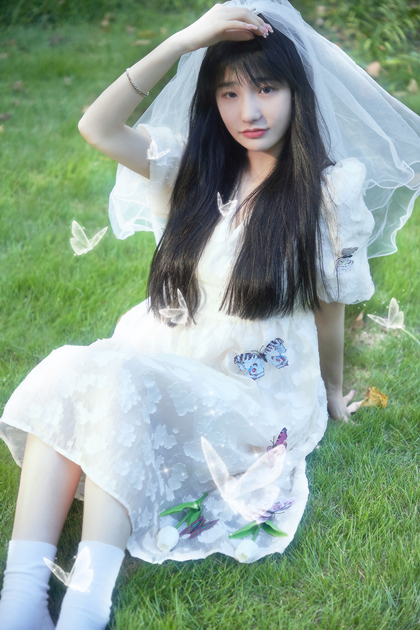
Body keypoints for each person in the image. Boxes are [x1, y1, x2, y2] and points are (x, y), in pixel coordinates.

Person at [0, 1, 419, 629]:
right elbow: (97, 126)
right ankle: (20, 599)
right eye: (229, 93)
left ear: (297, 92)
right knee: (74, 369)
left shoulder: (329, 193)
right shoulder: (193, 170)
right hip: (165, 346)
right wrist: (183, 41)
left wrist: (331, 393)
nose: (249, 112)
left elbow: (329, 305)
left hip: (252, 384)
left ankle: (86, 602)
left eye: (266, 89)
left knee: (118, 382)